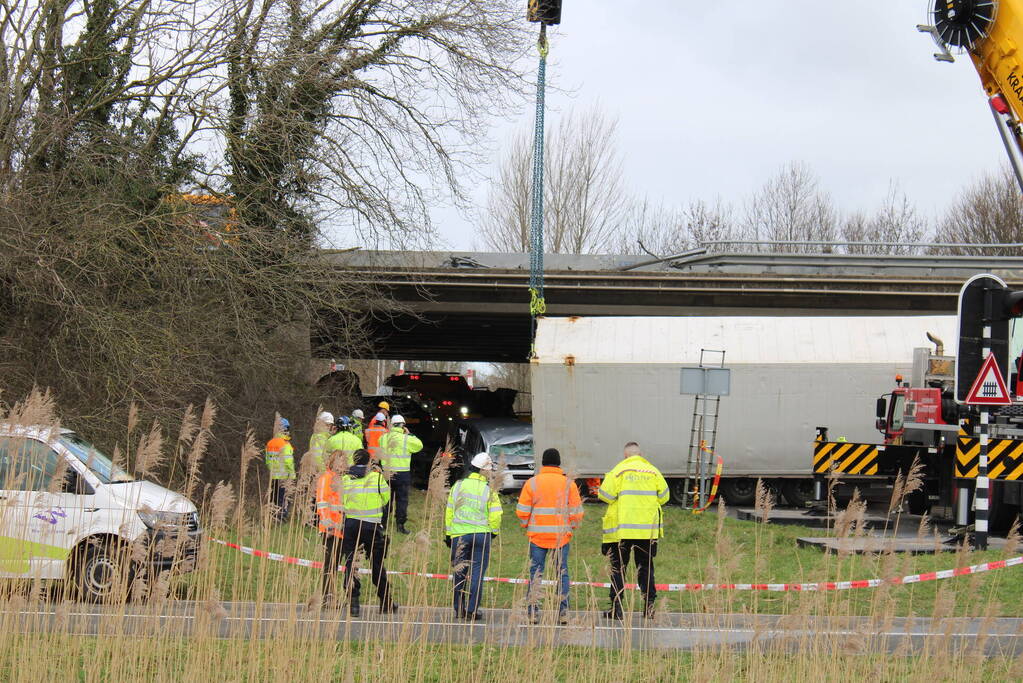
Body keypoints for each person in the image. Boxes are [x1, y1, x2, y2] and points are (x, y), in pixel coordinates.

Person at [597, 441, 669, 620]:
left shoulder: (619, 471)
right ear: (641, 455)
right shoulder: (653, 471)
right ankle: (649, 607)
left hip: (621, 532)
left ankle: (617, 609)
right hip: (647, 532)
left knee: (618, 569)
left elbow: (605, 495)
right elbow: (664, 496)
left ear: (625, 455)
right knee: (646, 569)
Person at [516, 448, 583, 625]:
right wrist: (572, 527)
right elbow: (576, 512)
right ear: (558, 463)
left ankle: (532, 612)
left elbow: (522, 510)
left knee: (535, 573)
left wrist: (526, 525)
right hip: (561, 538)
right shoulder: (569, 484)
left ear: (543, 463)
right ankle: (563, 613)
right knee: (562, 573)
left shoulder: (532, 483)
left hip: (537, 537)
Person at [339, 449, 398, 617]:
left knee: (352, 563)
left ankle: (354, 604)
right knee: (377, 565)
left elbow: (342, 500)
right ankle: (385, 601)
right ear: (368, 462)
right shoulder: (377, 478)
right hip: (372, 527)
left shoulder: (345, 479)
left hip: (351, 525)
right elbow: (386, 499)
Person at [445, 452, 502, 622]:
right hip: (481, 535)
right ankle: (472, 610)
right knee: (477, 573)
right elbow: (496, 515)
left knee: (459, 572)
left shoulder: (459, 485)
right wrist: (493, 532)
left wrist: (449, 534)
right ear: (484, 471)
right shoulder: (489, 490)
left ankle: (459, 609)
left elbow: (450, 511)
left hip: (459, 535)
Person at [378, 414, 424, 534]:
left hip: (386, 473)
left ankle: (382, 523)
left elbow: (379, 443)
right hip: (402, 475)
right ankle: (400, 526)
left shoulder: (384, 437)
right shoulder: (407, 439)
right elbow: (419, 445)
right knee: (402, 500)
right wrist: (409, 434)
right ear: (403, 426)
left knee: (385, 499)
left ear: (391, 425)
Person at [315, 449, 347, 606]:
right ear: (333, 462)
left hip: (341, 529)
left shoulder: (340, 479)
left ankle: (332, 597)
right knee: (330, 565)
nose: (343, 465)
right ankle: (327, 599)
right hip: (330, 530)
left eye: (344, 462)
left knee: (335, 565)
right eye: (340, 462)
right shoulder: (326, 478)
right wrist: (328, 525)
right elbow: (321, 502)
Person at [264, 417, 296, 523]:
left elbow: (268, 461)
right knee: (283, 499)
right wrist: (292, 475)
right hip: (284, 476)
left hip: (273, 476)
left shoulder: (270, 443)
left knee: (274, 498)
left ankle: (272, 517)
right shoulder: (285, 444)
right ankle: (281, 518)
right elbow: (288, 462)